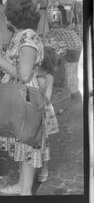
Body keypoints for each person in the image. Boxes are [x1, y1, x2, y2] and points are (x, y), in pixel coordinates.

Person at [0, 0, 46, 195]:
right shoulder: (22, 35)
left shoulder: (28, 38)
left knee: (27, 142)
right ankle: (22, 185)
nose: (4, 16)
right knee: (21, 142)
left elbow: (23, 74)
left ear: (12, 15)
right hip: (20, 97)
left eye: (6, 11)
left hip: (26, 98)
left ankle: (26, 192)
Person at [36, 47, 59, 183]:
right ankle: (30, 164)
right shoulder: (31, 73)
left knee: (43, 142)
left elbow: (48, 98)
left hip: (43, 113)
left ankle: (45, 168)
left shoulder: (48, 77)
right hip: (31, 111)